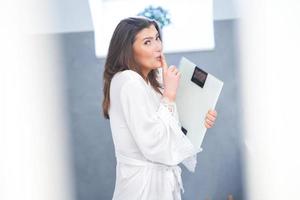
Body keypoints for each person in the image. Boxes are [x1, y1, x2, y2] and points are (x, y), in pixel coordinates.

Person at [102, 16, 217, 200]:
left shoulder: (151, 79)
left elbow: (171, 127)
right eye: (147, 42)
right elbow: (155, 142)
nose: (158, 47)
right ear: (128, 50)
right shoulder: (128, 81)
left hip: (157, 185)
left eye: (157, 38)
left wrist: (200, 119)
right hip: (143, 189)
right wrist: (170, 94)